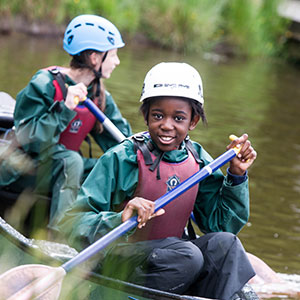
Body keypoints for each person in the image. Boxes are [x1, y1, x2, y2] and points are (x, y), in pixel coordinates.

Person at [60, 62, 258, 299]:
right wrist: (118, 218)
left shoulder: (199, 160)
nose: (166, 125)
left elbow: (221, 226)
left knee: (227, 246)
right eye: (158, 115)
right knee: (188, 256)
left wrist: (236, 176)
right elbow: (71, 223)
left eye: (178, 118)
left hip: (171, 261)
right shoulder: (122, 158)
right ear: (146, 116)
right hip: (120, 260)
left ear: (193, 122)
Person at [0, 14, 132, 232]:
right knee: (71, 161)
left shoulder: (98, 96)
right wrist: (65, 109)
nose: (117, 61)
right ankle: (60, 237)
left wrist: (147, 157)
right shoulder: (44, 84)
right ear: (94, 57)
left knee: (108, 166)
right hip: (20, 169)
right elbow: (32, 140)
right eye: (114, 54)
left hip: (56, 170)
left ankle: (105, 230)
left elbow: (121, 142)